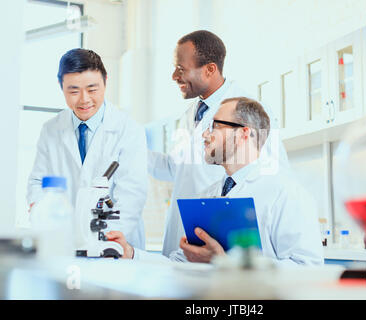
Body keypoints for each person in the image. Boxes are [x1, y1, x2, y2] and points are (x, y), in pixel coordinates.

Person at [107, 97, 324, 266]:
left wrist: (226, 263)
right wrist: (131, 253)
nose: (205, 135)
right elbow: (180, 263)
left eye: (215, 126)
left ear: (243, 134)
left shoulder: (284, 192)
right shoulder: (208, 195)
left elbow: (307, 267)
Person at [147, 30, 290, 258]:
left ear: (210, 69)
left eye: (181, 69)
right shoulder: (191, 113)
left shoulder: (248, 110)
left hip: (224, 237)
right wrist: (132, 149)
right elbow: (176, 169)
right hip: (187, 237)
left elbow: (275, 172)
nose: (174, 76)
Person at [27, 48, 148, 250]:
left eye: (92, 89)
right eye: (73, 91)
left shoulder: (129, 130)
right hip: (64, 242)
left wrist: (102, 241)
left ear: (105, 82)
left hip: (115, 244)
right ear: (61, 86)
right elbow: (37, 182)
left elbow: (132, 195)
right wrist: (45, 217)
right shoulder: (50, 130)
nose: (84, 99)